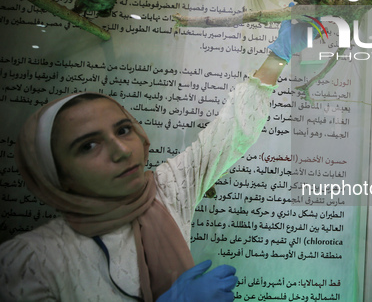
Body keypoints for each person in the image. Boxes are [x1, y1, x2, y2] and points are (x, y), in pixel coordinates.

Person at [0, 17, 307, 302]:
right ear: (55, 174)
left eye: (123, 129)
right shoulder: (33, 262)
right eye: (88, 146)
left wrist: (280, 54)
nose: (121, 150)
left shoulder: (166, 191)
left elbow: (231, 131)